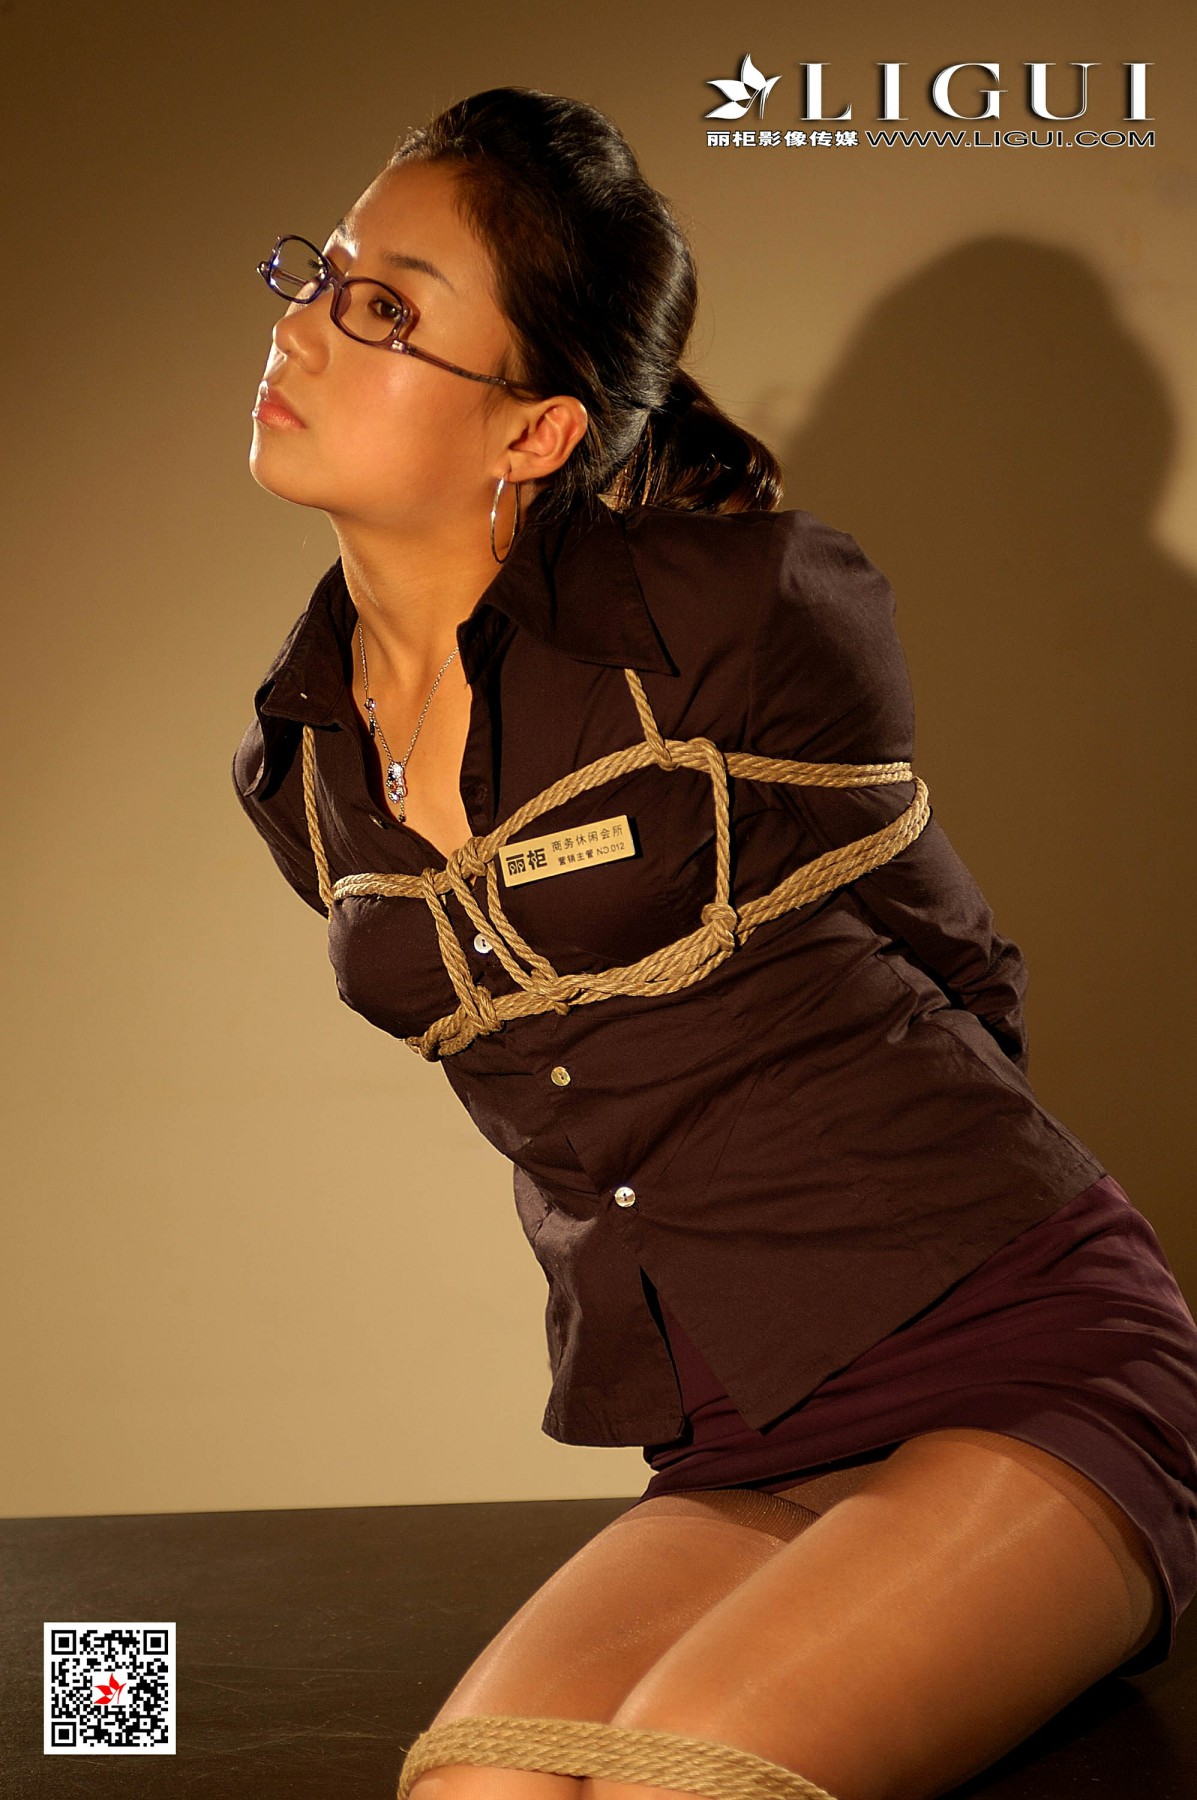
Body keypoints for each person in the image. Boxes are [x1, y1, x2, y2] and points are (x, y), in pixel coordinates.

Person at [233, 85, 1197, 1800]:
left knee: (695, 1774)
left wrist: (877, 1230)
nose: (304, 324)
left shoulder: (732, 613)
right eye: (318, 279)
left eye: (382, 306)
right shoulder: (296, 766)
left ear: (536, 429)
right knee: (474, 1791)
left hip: (1012, 1351)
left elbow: (947, 953)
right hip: (732, 1434)